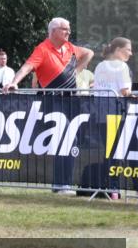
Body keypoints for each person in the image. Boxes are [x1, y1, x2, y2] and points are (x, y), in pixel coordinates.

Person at [6, 17, 94, 195]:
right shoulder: (43, 49)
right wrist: (14, 82)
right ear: (53, 31)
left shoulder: (70, 48)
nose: (68, 32)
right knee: (67, 140)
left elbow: (89, 53)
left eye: (69, 29)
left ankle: (60, 185)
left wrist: (76, 71)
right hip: (53, 102)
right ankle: (63, 184)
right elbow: (27, 67)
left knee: (68, 141)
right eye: (65, 29)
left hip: (71, 102)